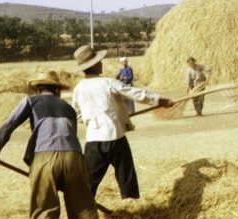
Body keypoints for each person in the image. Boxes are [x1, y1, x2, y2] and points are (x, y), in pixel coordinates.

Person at [0, 70, 104, 219]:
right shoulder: (68, 108)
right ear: (57, 91)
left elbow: (10, 123)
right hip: (74, 157)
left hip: (45, 158)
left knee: (43, 206)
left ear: (39, 89)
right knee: (82, 204)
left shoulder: (31, 101)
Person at [71, 45, 171, 199]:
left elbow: (77, 113)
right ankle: (131, 208)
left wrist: (91, 121)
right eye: (100, 61)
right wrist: (159, 99)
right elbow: (134, 93)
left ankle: (82, 210)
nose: (101, 63)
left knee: (88, 182)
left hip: (93, 140)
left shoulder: (78, 88)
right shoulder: (108, 82)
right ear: (95, 64)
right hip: (115, 137)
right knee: (126, 177)